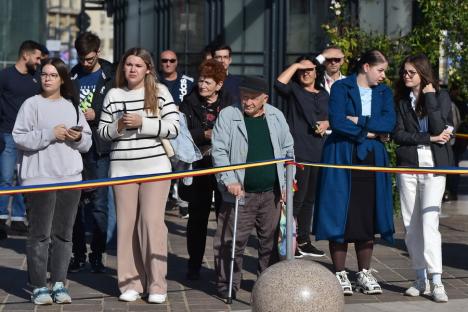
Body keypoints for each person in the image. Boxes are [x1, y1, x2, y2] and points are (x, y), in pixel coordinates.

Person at [98, 47, 179, 304]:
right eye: (128, 64)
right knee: (126, 227)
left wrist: (143, 123)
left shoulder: (159, 92)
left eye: (138, 65)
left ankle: (157, 284)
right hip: (122, 169)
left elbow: (174, 128)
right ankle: (130, 282)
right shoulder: (113, 94)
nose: (132, 69)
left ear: (147, 70)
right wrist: (118, 126)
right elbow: (101, 133)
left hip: (155, 167)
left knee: (151, 224)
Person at [313, 50, 396, 296]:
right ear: (367, 67)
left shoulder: (384, 92)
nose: (383, 76)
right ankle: (340, 272)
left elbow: (389, 123)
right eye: (380, 70)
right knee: (339, 210)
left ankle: (364, 272)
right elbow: (337, 121)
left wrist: (358, 120)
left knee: (366, 212)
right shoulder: (341, 88)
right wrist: (369, 131)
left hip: (372, 158)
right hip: (342, 155)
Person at [12, 57, 92, 305]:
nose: (47, 78)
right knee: (40, 234)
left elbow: (87, 143)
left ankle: (59, 283)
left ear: (62, 79)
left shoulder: (71, 106)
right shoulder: (30, 104)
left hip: (69, 177)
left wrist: (75, 137)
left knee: (64, 235)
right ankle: (38, 286)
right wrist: (50, 134)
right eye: (44, 74)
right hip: (39, 178)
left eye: (53, 75)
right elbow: (19, 138)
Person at [212, 76, 294, 300]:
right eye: (244, 96)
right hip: (239, 192)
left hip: (271, 193)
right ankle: (227, 286)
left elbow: (289, 151)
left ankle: (268, 285)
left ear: (264, 98)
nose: (246, 102)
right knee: (231, 243)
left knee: (270, 244)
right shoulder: (229, 115)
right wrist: (229, 179)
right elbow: (219, 151)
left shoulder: (276, 116)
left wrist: (287, 183)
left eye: (252, 98)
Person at [393, 54, 453, 303]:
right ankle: (420, 278)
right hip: (408, 166)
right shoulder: (400, 101)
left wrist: (429, 96)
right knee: (410, 224)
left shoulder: (440, 96)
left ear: (423, 73)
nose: (406, 76)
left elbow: (440, 127)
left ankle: (436, 280)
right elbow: (398, 135)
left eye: (411, 72)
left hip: (434, 168)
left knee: (429, 224)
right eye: (404, 72)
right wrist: (427, 138)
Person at [178, 59, 235, 280]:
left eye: (208, 82)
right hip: (198, 163)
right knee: (197, 218)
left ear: (219, 85)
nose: (202, 85)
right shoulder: (188, 101)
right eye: (201, 80)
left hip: (224, 165)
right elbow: (180, 133)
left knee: (225, 217)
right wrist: (204, 135)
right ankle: (194, 265)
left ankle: (223, 268)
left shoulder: (231, 102)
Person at [69, 31, 116, 274]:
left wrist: (98, 115)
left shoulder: (111, 75)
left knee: (99, 203)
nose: (85, 63)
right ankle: (78, 254)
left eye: (89, 59)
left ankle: (97, 254)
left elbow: (120, 108)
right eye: (81, 58)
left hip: (100, 147)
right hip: (75, 144)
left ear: (97, 52)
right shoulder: (73, 74)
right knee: (75, 203)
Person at [275, 55, 328, 258]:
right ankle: (290, 241)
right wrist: (297, 64)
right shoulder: (294, 91)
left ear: (316, 72)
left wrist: (327, 123)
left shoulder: (324, 94)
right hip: (298, 152)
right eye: (302, 71)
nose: (306, 73)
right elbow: (278, 83)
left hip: (318, 152)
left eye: (310, 70)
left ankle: (304, 240)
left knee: (310, 199)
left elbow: (331, 117)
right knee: (296, 199)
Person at [0, 40, 43, 236]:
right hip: (8, 134)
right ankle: (1, 218)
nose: (39, 61)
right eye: (37, 56)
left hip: (28, 136)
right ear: (25, 55)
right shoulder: (6, 76)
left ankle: (18, 218)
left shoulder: (36, 78)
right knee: (6, 178)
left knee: (23, 178)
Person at [158, 49, 194, 219]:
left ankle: (184, 203)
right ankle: (161, 201)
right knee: (162, 168)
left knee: (183, 166)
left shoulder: (188, 82)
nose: (168, 63)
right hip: (159, 131)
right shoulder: (153, 81)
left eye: (172, 60)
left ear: (177, 62)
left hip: (181, 131)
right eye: (165, 60)